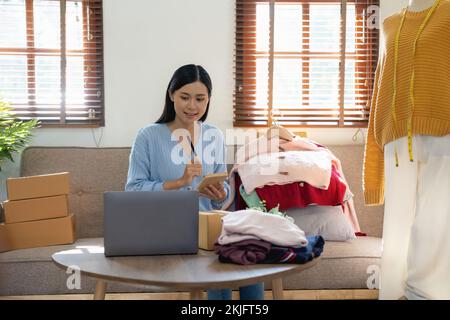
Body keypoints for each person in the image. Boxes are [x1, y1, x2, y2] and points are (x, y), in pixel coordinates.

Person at [125, 64, 264, 300]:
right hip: (167, 226)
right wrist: (179, 182)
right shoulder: (148, 136)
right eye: (185, 97)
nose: (193, 106)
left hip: (207, 226)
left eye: (200, 99)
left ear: (208, 99)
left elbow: (225, 192)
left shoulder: (215, 136)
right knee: (218, 270)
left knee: (251, 256)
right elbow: (132, 190)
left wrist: (220, 194)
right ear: (171, 95)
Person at [363, 0, 450, 300]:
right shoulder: (388, 24)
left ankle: (427, 294)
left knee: (435, 225)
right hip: (397, 140)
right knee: (397, 224)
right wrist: (373, 168)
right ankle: (393, 292)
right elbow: (380, 93)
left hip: (444, 134)